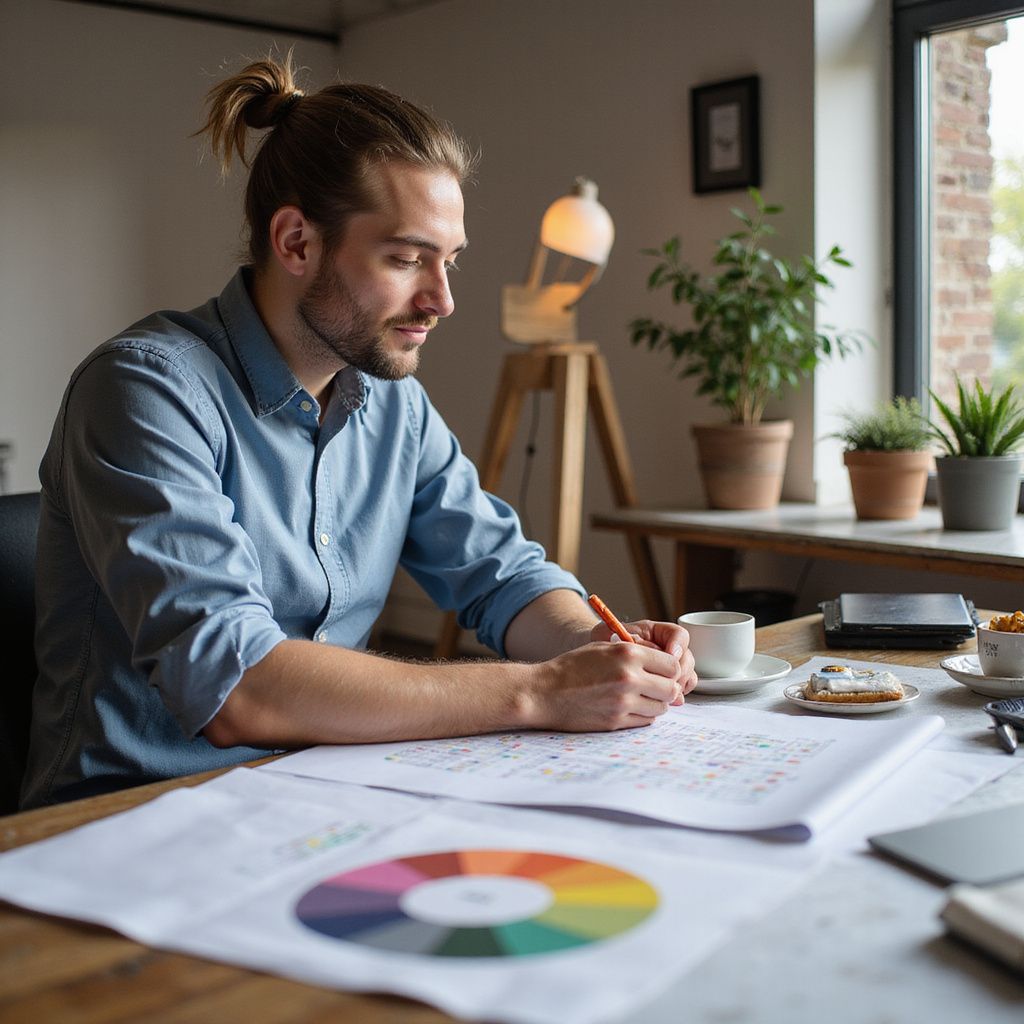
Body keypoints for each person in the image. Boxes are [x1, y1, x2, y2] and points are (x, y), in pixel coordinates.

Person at [22, 54, 696, 809]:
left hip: (312, 797)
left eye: (450, 263)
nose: (441, 300)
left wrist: (590, 645)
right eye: (407, 258)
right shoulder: (144, 390)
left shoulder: (391, 403)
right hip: (122, 822)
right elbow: (240, 688)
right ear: (297, 243)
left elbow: (502, 576)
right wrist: (540, 690)